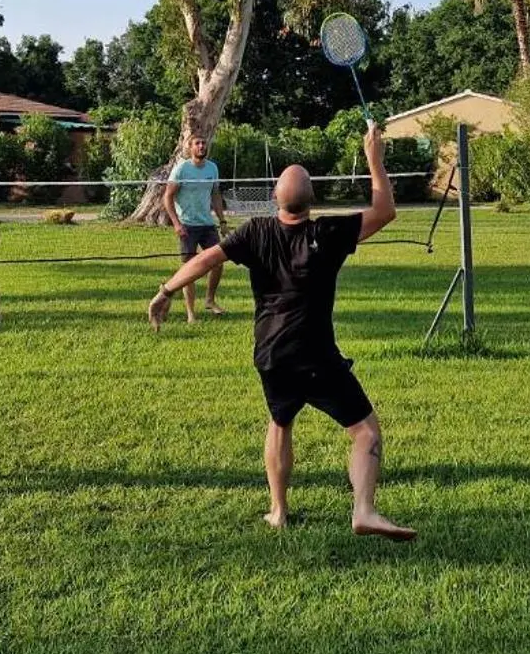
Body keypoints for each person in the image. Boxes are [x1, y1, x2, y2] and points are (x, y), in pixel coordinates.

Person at [149, 122, 414, 541]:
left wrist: (165, 290)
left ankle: (278, 511)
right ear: (312, 200)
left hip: (271, 353)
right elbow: (385, 211)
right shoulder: (327, 233)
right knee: (365, 431)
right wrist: (374, 161)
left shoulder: (256, 232)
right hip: (316, 355)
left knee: (279, 422)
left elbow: (202, 262)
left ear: (275, 197)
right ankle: (363, 509)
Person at [163, 133, 228, 322]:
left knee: (218, 262)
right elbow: (167, 197)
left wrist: (222, 221)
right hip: (187, 226)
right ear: (190, 148)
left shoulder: (212, 168)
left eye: (203, 143)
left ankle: (209, 300)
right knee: (189, 269)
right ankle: (191, 313)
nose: (201, 146)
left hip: (207, 224)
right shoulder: (181, 169)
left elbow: (215, 194)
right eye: (197, 143)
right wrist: (176, 223)